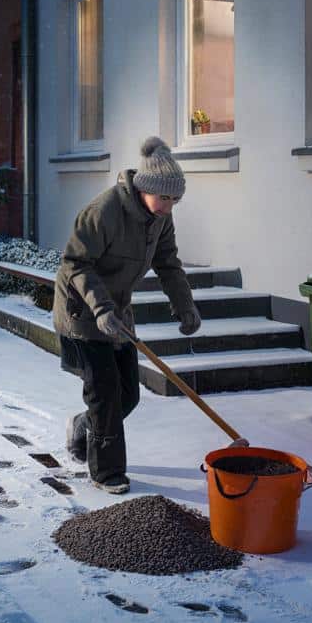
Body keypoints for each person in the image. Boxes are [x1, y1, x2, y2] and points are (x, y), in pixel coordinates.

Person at [56, 137, 200, 494]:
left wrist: (185, 305)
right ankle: (107, 473)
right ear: (145, 189)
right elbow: (76, 262)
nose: (169, 206)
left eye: (175, 199)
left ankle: (84, 425)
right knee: (104, 393)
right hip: (82, 309)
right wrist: (100, 308)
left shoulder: (160, 219)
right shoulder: (105, 211)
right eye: (165, 198)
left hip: (116, 310)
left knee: (127, 395)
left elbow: (168, 263)